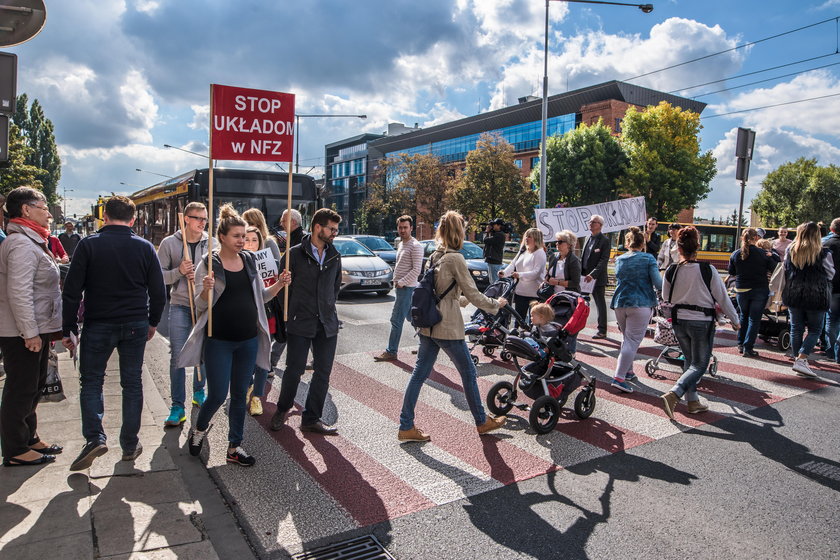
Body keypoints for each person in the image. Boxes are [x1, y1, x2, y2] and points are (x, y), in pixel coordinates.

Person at [178, 206, 290, 465]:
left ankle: (234, 447)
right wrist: (205, 289)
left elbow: (261, 296)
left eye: (244, 236)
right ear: (223, 237)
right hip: (219, 340)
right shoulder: (209, 263)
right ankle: (199, 429)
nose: (242, 241)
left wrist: (280, 284)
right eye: (237, 236)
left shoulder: (249, 261)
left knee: (240, 395)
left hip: (247, 340)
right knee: (217, 395)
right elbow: (201, 305)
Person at [62, 196, 166, 471]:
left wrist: (68, 327)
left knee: (92, 381)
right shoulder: (145, 248)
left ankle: (94, 437)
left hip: (98, 323)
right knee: (132, 383)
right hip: (135, 323)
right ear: (133, 219)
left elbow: (72, 290)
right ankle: (130, 444)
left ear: (104, 216)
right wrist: (152, 321)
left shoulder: (88, 245)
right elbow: (158, 292)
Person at [398, 211, 508, 442]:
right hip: (447, 326)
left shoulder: (435, 256)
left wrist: (463, 299)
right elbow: (474, 295)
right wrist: (496, 304)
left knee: (419, 374)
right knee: (468, 372)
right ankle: (481, 421)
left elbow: (444, 292)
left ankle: (406, 425)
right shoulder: (455, 258)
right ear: (459, 232)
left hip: (429, 324)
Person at [0, 187, 63, 466]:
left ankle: (29, 438)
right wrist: (30, 333)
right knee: (21, 387)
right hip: (20, 332)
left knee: (34, 385)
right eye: (43, 206)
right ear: (26, 210)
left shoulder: (32, 240)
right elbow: (19, 292)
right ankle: (15, 449)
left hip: (34, 328)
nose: (48, 212)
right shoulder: (21, 244)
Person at [269, 208, 343, 434]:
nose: (334, 234)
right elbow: (281, 290)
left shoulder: (334, 255)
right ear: (318, 227)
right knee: (294, 369)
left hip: (327, 323)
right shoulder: (293, 255)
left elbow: (335, 286)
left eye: (336, 230)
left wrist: (328, 307)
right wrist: (292, 312)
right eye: (332, 229)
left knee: (323, 372)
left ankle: (311, 418)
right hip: (300, 321)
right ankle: (282, 409)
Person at [660, 226, 739, 419]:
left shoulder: (672, 270)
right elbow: (723, 298)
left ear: (678, 249)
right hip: (701, 322)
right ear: (697, 247)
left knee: (689, 360)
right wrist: (736, 321)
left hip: (679, 321)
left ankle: (693, 401)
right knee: (700, 364)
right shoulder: (707, 269)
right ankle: (675, 393)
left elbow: (664, 296)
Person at [157, 202, 209, 426]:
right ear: (186, 218)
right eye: (198, 218)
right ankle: (177, 406)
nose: (202, 223)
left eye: (205, 219)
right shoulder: (170, 243)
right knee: (178, 355)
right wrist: (178, 272)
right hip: (180, 304)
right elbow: (158, 277)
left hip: (204, 305)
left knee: (204, 352)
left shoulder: (212, 243)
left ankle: (199, 392)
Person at [610, 227, 662, 393]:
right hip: (641, 303)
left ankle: (628, 371)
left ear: (627, 243)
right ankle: (619, 377)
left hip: (620, 302)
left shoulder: (620, 259)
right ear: (643, 243)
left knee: (627, 339)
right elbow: (658, 283)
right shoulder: (648, 259)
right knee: (632, 341)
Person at [783, 222, 835, 378]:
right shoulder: (824, 252)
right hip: (816, 295)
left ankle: (798, 359)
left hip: (793, 293)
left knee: (796, 328)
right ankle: (802, 358)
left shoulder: (790, 250)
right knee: (815, 330)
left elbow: (786, 269)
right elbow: (830, 274)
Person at [375, 215, 424, 361]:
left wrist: (402, 281)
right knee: (413, 318)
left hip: (407, 288)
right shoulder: (402, 244)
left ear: (411, 228)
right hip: (401, 287)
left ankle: (391, 351)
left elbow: (417, 270)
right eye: (400, 227)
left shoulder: (415, 246)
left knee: (396, 320)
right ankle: (426, 346)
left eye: (405, 227)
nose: (402, 230)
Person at [243, 225, 278, 416]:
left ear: (260, 243)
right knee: (246, 356)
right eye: (246, 239)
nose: (250, 243)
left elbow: (270, 294)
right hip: (243, 316)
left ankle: (257, 396)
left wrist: (279, 282)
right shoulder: (236, 261)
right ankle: (246, 386)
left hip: (265, 314)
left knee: (264, 355)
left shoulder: (266, 261)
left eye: (254, 240)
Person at [728, 228, 777, 357]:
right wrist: (772, 256)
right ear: (756, 238)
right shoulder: (763, 253)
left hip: (741, 289)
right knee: (754, 319)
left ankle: (740, 343)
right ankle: (748, 347)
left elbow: (732, 272)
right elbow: (775, 267)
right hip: (759, 289)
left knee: (743, 316)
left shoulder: (735, 254)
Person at [499, 227, 547, 320]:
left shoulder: (540, 253)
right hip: (520, 291)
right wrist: (504, 273)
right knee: (519, 318)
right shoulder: (523, 251)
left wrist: (520, 275)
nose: (526, 239)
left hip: (534, 293)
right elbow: (513, 264)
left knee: (534, 320)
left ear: (536, 239)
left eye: (529, 237)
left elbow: (536, 273)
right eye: (526, 236)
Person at [581, 215, 611, 339]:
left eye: (594, 222)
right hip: (584, 278)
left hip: (597, 278)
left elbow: (604, 261)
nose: (591, 224)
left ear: (600, 225)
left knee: (600, 303)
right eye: (590, 222)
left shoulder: (604, 240)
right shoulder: (588, 238)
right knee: (581, 303)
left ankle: (602, 330)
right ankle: (578, 326)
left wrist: (593, 274)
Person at [823, 218, 840, 363]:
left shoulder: (825, 243)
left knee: (831, 320)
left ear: (832, 229)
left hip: (830, 287)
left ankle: (830, 352)